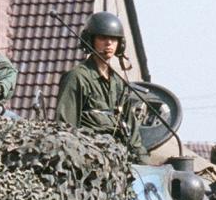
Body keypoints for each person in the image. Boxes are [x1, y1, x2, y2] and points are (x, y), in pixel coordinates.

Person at [55, 11, 149, 163]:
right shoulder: (77, 77)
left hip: (118, 158)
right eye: (103, 38)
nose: (109, 43)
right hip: (88, 158)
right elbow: (66, 129)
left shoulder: (118, 83)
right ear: (90, 40)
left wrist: (145, 164)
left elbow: (133, 135)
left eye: (114, 38)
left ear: (120, 44)